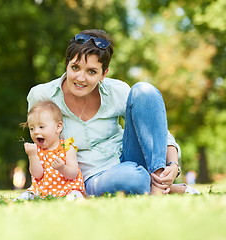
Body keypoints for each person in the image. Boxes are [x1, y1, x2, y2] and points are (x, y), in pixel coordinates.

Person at [26, 29, 199, 196]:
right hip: (92, 176)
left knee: (144, 91)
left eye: (92, 71)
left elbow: (156, 129)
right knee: (133, 178)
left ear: (104, 74)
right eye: (75, 67)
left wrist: (173, 164)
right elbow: (40, 142)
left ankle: (159, 185)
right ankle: (158, 187)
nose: (81, 78)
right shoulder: (42, 95)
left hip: (127, 157)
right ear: (67, 64)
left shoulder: (117, 90)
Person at [16, 101, 86, 200]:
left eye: (41, 127)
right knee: (26, 196)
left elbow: (73, 174)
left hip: (67, 189)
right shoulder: (36, 150)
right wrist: (32, 156)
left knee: (75, 195)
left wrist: (62, 168)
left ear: (58, 127)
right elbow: (37, 174)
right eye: (32, 128)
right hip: (41, 192)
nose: (36, 132)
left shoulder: (67, 147)